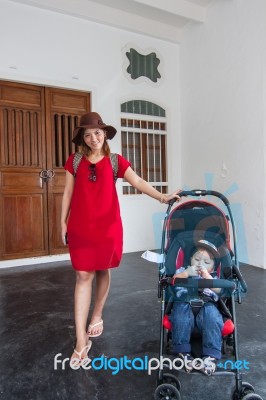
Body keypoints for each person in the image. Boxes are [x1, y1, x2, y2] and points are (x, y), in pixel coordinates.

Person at [61, 111, 181, 364]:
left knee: (103, 269)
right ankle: (81, 341)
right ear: (82, 138)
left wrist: (162, 197)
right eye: (88, 134)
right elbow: (68, 193)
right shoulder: (74, 161)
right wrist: (62, 222)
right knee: (83, 275)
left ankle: (97, 315)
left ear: (104, 134)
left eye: (97, 132)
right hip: (81, 226)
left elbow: (136, 180)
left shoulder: (115, 161)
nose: (93, 137)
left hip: (107, 227)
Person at [170, 240, 223, 376]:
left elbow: (219, 290)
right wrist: (187, 273)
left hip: (207, 304)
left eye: (206, 262)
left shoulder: (214, 277)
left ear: (213, 267)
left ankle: (210, 356)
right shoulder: (183, 271)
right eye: (197, 259)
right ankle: (183, 352)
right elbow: (173, 281)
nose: (200, 264)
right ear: (190, 260)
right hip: (184, 301)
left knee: (212, 316)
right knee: (180, 314)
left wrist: (208, 278)